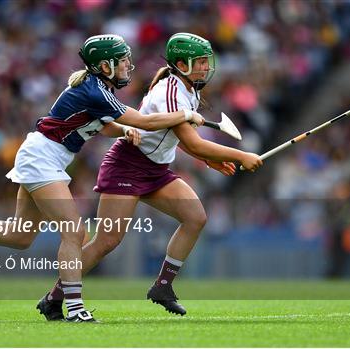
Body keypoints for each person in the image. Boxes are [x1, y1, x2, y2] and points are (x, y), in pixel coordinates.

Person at [0, 34, 205, 323]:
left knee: (20, 236)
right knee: (75, 232)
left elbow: (104, 127)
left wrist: (122, 131)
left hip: (43, 157)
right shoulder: (96, 91)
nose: (128, 65)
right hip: (42, 158)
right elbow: (144, 121)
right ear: (105, 66)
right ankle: (75, 308)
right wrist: (185, 114)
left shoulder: (100, 89)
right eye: (122, 61)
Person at [37, 32, 262, 318]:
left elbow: (178, 139)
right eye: (201, 62)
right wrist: (240, 155)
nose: (206, 67)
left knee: (196, 217)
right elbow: (191, 140)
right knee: (107, 241)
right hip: (127, 165)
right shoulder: (171, 90)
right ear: (181, 64)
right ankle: (54, 298)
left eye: (207, 62)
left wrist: (209, 159)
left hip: (156, 170)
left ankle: (162, 287)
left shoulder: (189, 89)